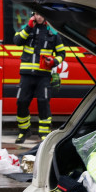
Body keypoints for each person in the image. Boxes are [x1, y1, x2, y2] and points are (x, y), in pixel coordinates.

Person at [13, 12, 66, 144]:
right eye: (37, 14)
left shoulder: (52, 33)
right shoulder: (26, 29)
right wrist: (28, 27)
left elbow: (61, 53)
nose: (40, 17)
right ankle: (24, 131)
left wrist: (54, 62)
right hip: (26, 75)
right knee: (21, 102)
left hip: (43, 75)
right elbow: (17, 41)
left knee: (43, 103)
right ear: (33, 15)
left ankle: (44, 133)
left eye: (42, 14)